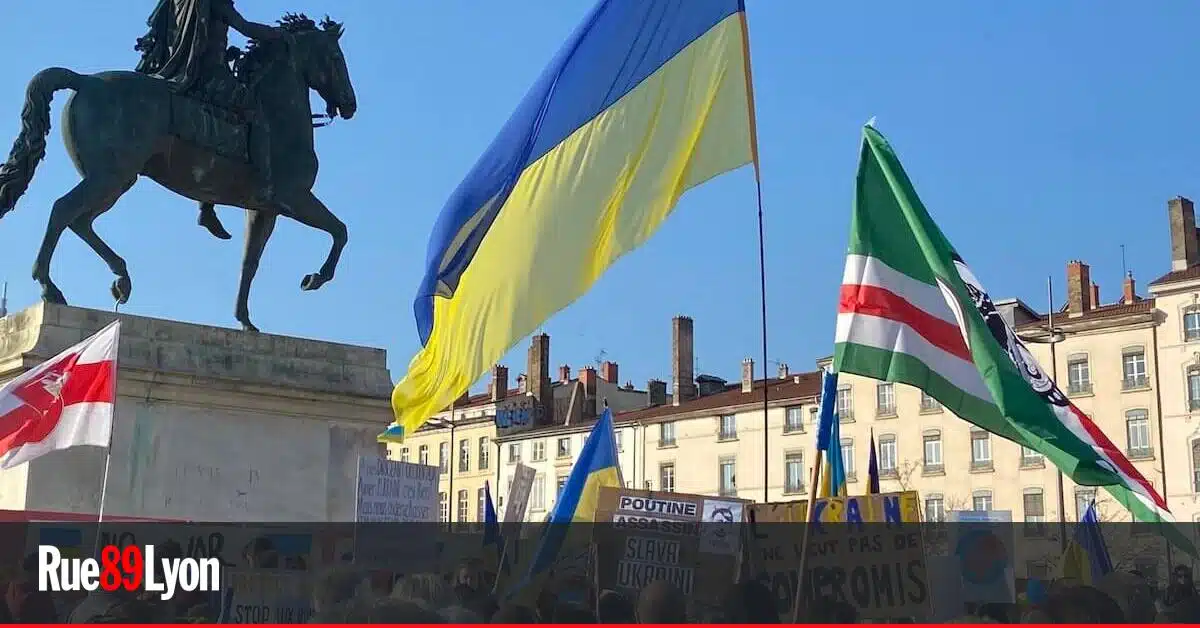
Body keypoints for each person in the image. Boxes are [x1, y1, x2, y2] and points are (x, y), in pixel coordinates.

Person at [134, 0, 282, 234]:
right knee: (256, 110)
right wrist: (277, 34)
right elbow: (245, 28)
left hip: (180, 71)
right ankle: (264, 184)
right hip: (209, 75)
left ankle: (207, 206)